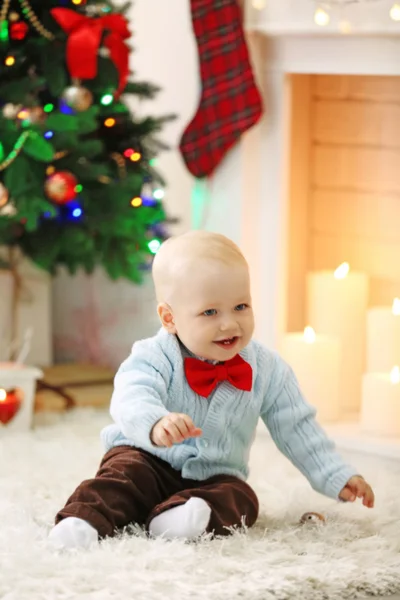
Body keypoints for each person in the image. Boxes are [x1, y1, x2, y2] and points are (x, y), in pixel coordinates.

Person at [48, 231, 375, 550]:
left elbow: (297, 427)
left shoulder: (268, 368)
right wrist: (155, 422)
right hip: (149, 457)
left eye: (241, 307)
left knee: (243, 500)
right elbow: (131, 394)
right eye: (210, 312)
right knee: (122, 478)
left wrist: (335, 475)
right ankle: (84, 521)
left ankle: (181, 520)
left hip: (215, 477)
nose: (230, 324)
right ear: (169, 318)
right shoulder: (153, 355)